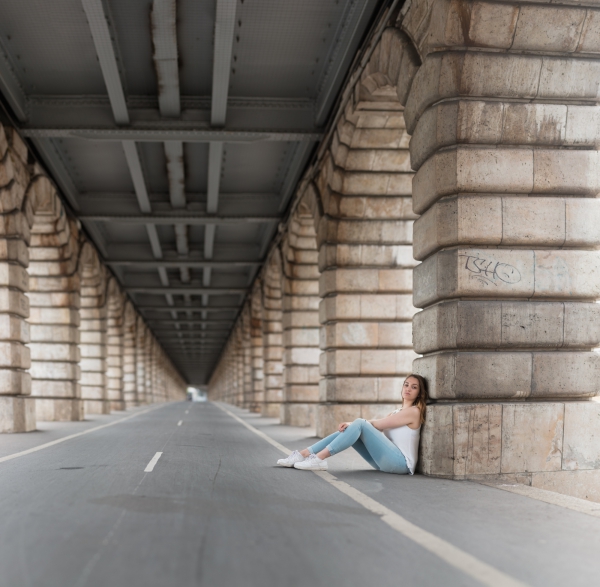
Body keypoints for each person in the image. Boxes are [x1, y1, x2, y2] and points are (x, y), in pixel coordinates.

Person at [276, 374, 428, 474]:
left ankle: (319, 458)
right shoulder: (395, 412)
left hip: (401, 465)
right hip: (383, 463)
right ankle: (304, 454)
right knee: (355, 427)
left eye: (414, 387)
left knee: (359, 424)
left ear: (419, 393)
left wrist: (356, 423)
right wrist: (353, 425)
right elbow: (375, 423)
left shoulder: (414, 411)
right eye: (406, 385)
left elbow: (379, 425)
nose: (408, 389)